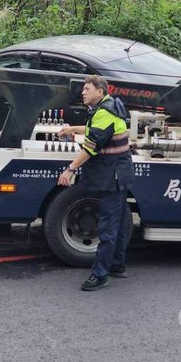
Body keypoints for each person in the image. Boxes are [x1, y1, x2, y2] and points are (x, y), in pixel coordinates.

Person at [57, 75, 134, 291]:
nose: (83, 92)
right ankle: (117, 265)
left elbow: (91, 146)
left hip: (112, 176)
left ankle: (100, 275)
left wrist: (70, 169)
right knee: (117, 222)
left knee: (108, 226)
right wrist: (73, 129)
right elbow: (96, 130)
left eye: (87, 88)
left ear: (100, 91)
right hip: (119, 173)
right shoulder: (109, 107)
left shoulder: (104, 112)